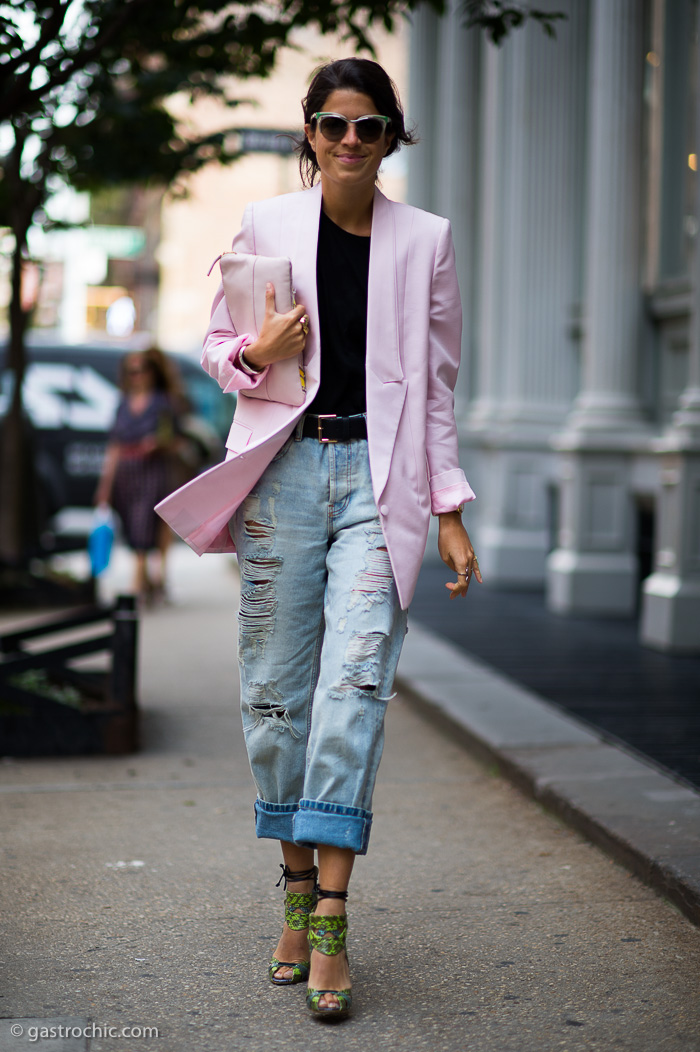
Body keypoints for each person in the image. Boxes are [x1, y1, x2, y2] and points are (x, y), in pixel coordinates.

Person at [155, 57, 482, 1021]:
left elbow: (436, 389)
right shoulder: (267, 226)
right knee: (273, 697)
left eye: (369, 127)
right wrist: (260, 353)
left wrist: (452, 508)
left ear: (391, 138)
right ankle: (294, 887)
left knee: (354, 689)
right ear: (309, 132)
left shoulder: (427, 241)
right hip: (285, 476)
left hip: (382, 483)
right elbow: (219, 350)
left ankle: (332, 915)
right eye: (334, 125)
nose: (350, 142)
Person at [95, 347, 181, 601]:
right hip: (126, 472)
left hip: (152, 469)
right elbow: (114, 446)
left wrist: (157, 443)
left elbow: (173, 438)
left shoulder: (163, 402)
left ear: (152, 372)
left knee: (144, 519)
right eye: (132, 371)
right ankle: (147, 579)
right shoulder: (122, 403)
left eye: (142, 370)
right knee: (131, 523)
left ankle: (139, 580)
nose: (138, 376)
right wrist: (105, 486)